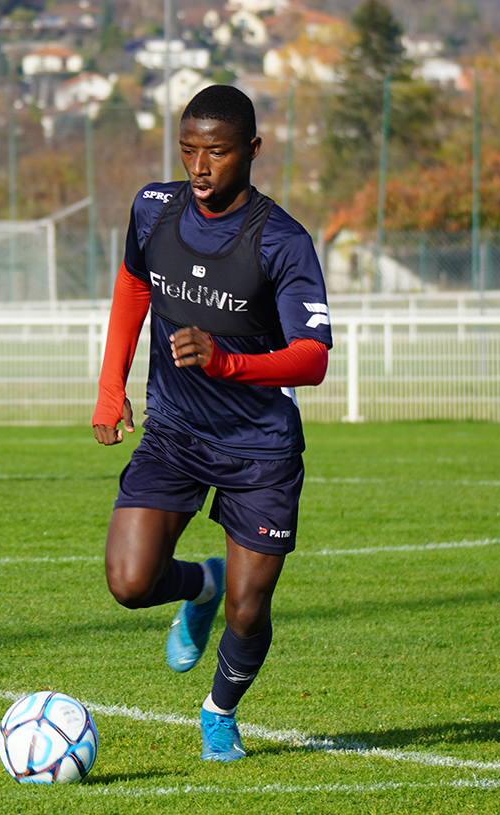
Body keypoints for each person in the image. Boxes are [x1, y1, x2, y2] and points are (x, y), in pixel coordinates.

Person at [92, 85, 331, 761]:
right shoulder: (153, 209)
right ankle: (200, 584)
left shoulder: (283, 241)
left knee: (250, 612)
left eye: (217, 152)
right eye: (188, 149)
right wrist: (111, 388)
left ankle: (219, 712)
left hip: (259, 448)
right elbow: (134, 284)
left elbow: (311, 360)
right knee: (129, 582)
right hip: (173, 432)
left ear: (252, 151)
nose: (200, 166)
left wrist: (227, 363)